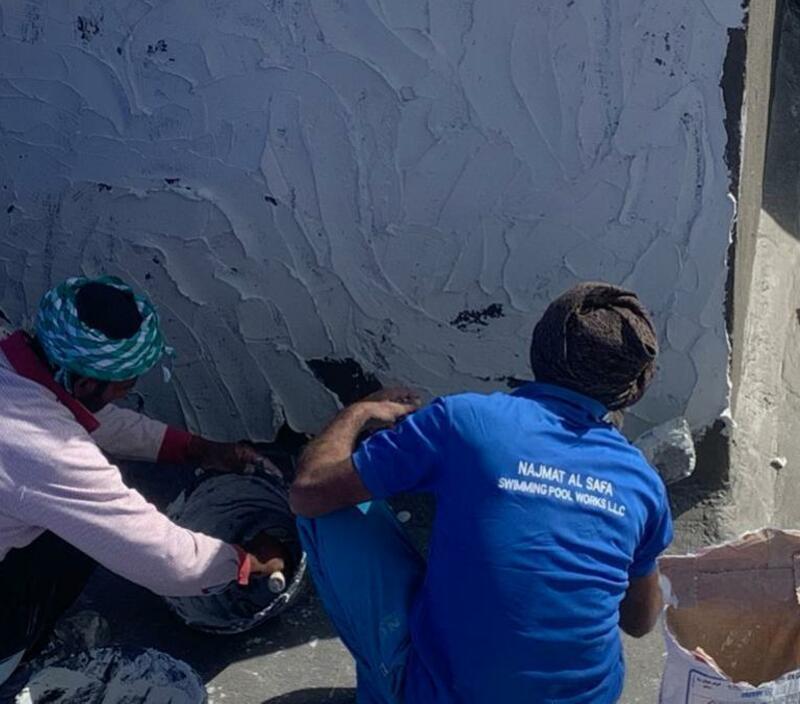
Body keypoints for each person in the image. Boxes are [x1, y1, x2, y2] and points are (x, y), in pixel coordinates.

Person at [290, 282, 673, 704]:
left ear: (540, 349)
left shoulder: (466, 420)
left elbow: (310, 492)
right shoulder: (642, 483)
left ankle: (395, 688)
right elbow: (640, 621)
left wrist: (359, 412)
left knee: (334, 507)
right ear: (633, 389)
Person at [0, 276, 285, 685]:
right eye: (124, 386)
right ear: (85, 382)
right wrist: (248, 561)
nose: (124, 394)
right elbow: (167, 561)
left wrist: (195, 448)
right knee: (82, 538)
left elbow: (76, 412)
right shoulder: (46, 450)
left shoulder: (19, 358)